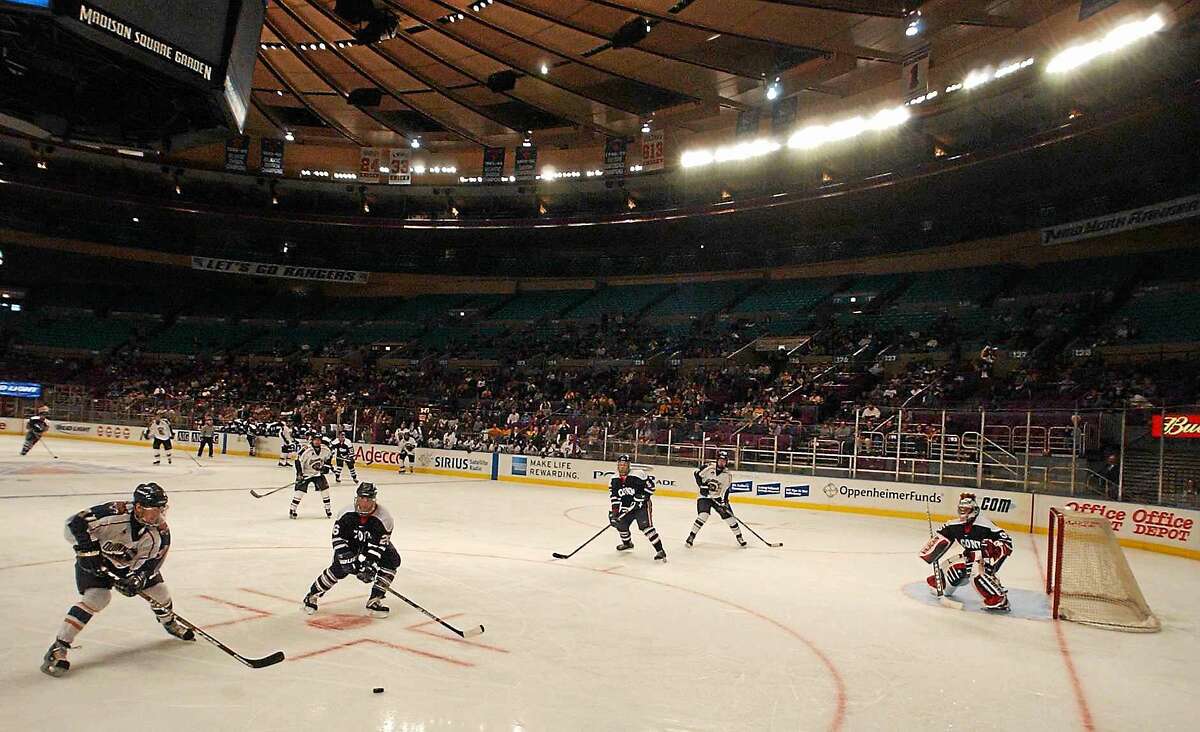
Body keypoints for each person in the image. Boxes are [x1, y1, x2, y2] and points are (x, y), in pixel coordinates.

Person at [41, 482, 194, 677]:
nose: (159, 515)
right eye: (153, 510)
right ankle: (59, 646)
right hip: (97, 560)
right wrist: (87, 551)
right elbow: (75, 523)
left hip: (128, 566)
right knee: (97, 598)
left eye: (161, 509)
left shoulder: (159, 533)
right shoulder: (114, 513)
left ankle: (169, 622)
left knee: (160, 594)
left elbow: (151, 564)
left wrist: (136, 580)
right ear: (138, 507)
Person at [302, 483, 399, 618]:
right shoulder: (346, 513)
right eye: (362, 498)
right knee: (340, 568)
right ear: (357, 498)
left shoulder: (384, 518)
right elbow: (337, 538)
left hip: (370, 544)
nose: (364, 503)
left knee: (392, 560)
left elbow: (378, 546)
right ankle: (312, 595)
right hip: (350, 543)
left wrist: (369, 565)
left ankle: (375, 599)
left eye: (368, 499)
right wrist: (345, 557)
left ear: (374, 500)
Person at [919, 492, 1014, 612]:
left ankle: (999, 599)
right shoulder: (954, 525)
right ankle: (943, 584)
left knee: (977, 575)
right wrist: (934, 546)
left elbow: (1007, 543)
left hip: (985, 560)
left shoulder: (985, 525)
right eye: (961, 509)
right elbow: (942, 536)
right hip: (969, 557)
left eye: (966, 510)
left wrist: (995, 550)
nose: (963, 513)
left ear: (974, 510)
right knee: (953, 568)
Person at [609, 454, 667, 561]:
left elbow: (651, 487)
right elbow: (615, 497)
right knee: (620, 524)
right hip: (627, 507)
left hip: (642, 506)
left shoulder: (639, 474)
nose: (622, 467)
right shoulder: (614, 479)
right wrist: (614, 513)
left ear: (629, 465)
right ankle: (627, 544)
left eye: (624, 464)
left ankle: (660, 551)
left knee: (646, 527)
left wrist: (642, 497)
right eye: (620, 464)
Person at [686, 450, 746, 548]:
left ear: (726, 462)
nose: (722, 462)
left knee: (730, 518)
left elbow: (726, 490)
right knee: (703, 515)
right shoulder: (709, 468)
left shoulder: (727, 475)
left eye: (724, 461)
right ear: (717, 460)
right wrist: (702, 486)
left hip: (717, 498)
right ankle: (691, 536)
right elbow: (696, 474)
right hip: (704, 497)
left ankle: (739, 537)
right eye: (720, 460)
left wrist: (724, 502)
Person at [291, 434, 333, 519]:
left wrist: (326, 467)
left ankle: (328, 508)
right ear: (312, 441)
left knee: (325, 490)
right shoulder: (306, 450)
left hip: (317, 473)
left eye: (319, 440)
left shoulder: (325, 449)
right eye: (315, 440)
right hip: (305, 473)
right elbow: (298, 461)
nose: (317, 442)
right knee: (300, 491)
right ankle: (293, 509)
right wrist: (299, 474)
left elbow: (329, 457)